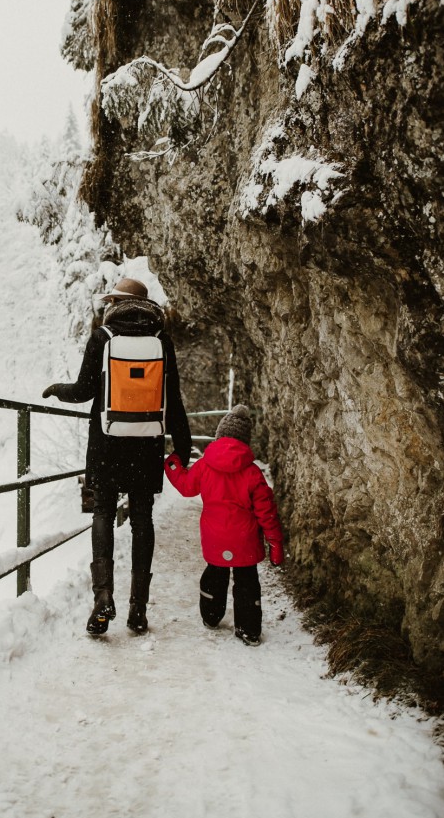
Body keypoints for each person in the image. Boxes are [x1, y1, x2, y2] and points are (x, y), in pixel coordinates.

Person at [42, 277, 192, 636]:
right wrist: (182, 451)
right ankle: (138, 610)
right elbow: (174, 401)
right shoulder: (161, 341)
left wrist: (55, 390)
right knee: (142, 521)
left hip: (107, 444)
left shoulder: (103, 337)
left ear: (118, 303)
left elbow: (82, 392)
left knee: (104, 514)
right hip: (147, 443)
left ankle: (102, 599)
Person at [163, 403, 284, 646]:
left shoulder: (206, 465)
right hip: (245, 540)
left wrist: (173, 464)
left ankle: (211, 615)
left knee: (214, 575)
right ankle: (248, 629)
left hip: (215, 538)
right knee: (247, 582)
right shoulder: (252, 473)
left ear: (219, 436)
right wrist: (275, 542)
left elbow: (187, 487)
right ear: (244, 441)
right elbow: (266, 512)